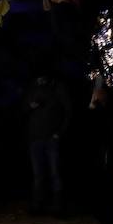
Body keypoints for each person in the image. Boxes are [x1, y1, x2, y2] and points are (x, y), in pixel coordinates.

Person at [85, 78, 113, 224]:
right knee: (99, 203)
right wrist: (92, 105)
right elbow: (91, 129)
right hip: (104, 163)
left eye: (99, 92)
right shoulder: (99, 111)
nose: (97, 95)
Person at [25, 70, 72, 214]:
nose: (40, 81)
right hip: (35, 138)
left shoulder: (58, 88)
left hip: (51, 138)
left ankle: (58, 207)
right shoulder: (32, 89)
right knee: (38, 174)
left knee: (55, 172)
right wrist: (30, 106)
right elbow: (23, 109)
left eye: (42, 78)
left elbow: (68, 111)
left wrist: (59, 133)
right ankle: (38, 205)